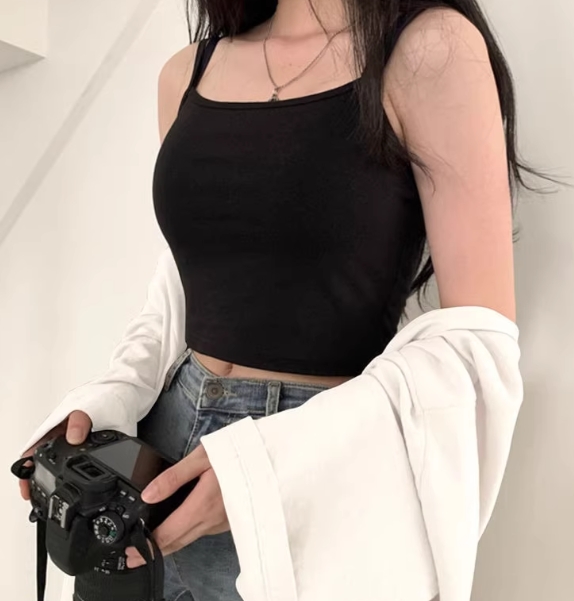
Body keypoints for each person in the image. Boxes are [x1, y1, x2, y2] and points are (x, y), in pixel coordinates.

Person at [19, 1, 558, 600]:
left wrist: (261, 466)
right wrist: (111, 398)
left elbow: (476, 344)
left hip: (307, 489)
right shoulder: (186, 72)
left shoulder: (431, 49)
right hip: (151, 471)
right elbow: (182, 288)